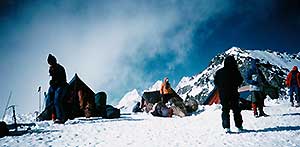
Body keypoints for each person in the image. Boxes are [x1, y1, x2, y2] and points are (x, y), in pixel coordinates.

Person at [214, 56, 244, 133]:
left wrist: (221, 87)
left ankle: (226, 127)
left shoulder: (219, 72)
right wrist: (234, 85)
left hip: (223, 94)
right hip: (233, 93)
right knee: (236, 110)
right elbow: (240, 80)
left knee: (225, 110)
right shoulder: (235, 71)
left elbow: (216, 83)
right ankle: (239, 126)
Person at [46, 54, 68, 123]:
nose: (50, 64)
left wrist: (54, 82)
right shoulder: (51, 68)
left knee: (57, 100)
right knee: (49, 99)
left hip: (61, 85)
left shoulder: (60, 68)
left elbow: (61, 79)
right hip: (54, 86)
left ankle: (61, 117)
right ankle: (53, 115)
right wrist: (52, 82)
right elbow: (53, 77)